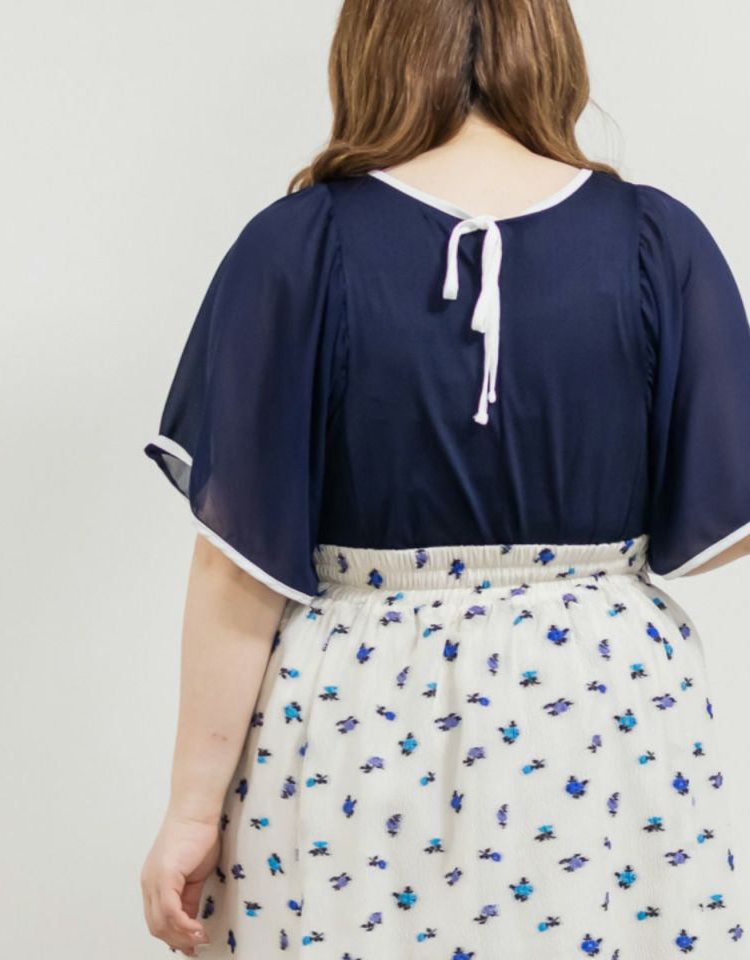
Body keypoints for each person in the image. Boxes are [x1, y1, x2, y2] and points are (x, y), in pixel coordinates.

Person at [139, 1, 750, 957]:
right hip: (604, 700)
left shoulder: (300, 243)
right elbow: (723, 520)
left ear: (370, 45)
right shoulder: (655, 240)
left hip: (359, 707)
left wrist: (190, 811)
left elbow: (237, 565)